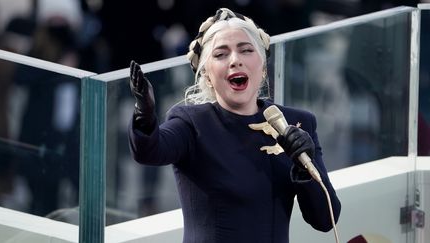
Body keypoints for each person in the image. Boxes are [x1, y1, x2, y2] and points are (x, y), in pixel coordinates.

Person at [128, 8, 341, 243]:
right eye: (221, 54)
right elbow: (151, 149)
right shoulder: (191, 122)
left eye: (246, 50)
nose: (235, 60)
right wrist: (144, 114)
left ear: (262, 67)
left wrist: (304, 170)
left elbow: (324, 220)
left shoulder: (298, 123)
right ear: (207, 74)